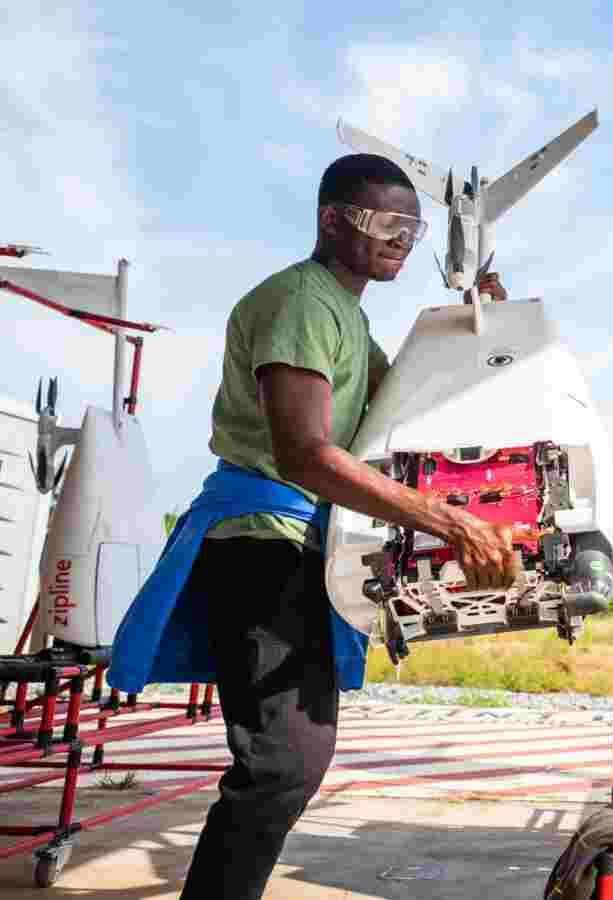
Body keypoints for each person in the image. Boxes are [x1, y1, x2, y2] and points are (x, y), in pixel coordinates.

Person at [109, 153, 520, 900]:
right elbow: (305, 453)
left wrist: (480, 323)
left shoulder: (345, 316)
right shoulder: (301, 301)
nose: (401, 238)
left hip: (297, 545)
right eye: (384, 222)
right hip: (263, 541)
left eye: (412, 227)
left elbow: (406, 411)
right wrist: (446, 523)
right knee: (279, 766)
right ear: (333, 218)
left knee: (290, 763)